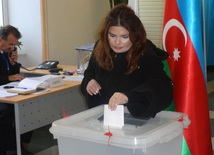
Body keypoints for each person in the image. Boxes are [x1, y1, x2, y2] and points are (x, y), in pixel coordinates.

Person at [81, 4, 173, 118]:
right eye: (112, 35)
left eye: (124, 37)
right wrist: (89, 82)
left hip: (136, 121)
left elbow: (161, 87)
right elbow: (89, 73)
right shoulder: (101, 48)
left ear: (135, 35)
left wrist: (130, 97)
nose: (117, 42)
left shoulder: (146, 53)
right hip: (103, 118)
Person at [0, 25, 32, 155]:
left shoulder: (6, 53)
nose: (12, 48)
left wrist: (13, 64)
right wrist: (8, 77)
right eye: (10, 44)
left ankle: (18, 145)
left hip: (6, 91)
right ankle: (5, 148)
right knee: (6, 110)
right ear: (0, 39)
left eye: (14, 45)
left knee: (28, 106)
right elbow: (7, 77)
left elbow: (11, 74)